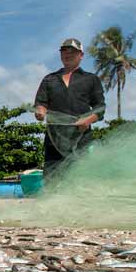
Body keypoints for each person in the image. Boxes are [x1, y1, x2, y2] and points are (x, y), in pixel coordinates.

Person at [33, 38, 105, 178]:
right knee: (53, 178)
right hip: (54, 139)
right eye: (64, 51)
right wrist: (40, 112)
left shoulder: (91, 79)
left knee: (81, 177)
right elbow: (40, 103)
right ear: (60, 55)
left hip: (81, 138)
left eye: (72, 51)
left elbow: (100, 108)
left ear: (81, 55)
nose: (68, 54)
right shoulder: (49, 79)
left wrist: (87, 120)